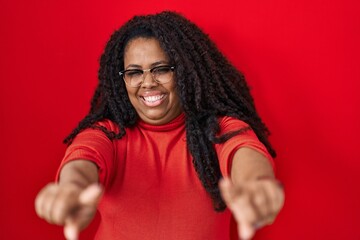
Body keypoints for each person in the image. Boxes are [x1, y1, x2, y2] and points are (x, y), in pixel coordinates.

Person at [35, 11, 284, 240]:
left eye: (161, 69)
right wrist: (71, 190)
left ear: (185, 72)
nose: (147, 83)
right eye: (134, 73)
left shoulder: (216, 130)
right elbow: (83, 160)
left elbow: (244, 151)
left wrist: (255, 185)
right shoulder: (108, 134)